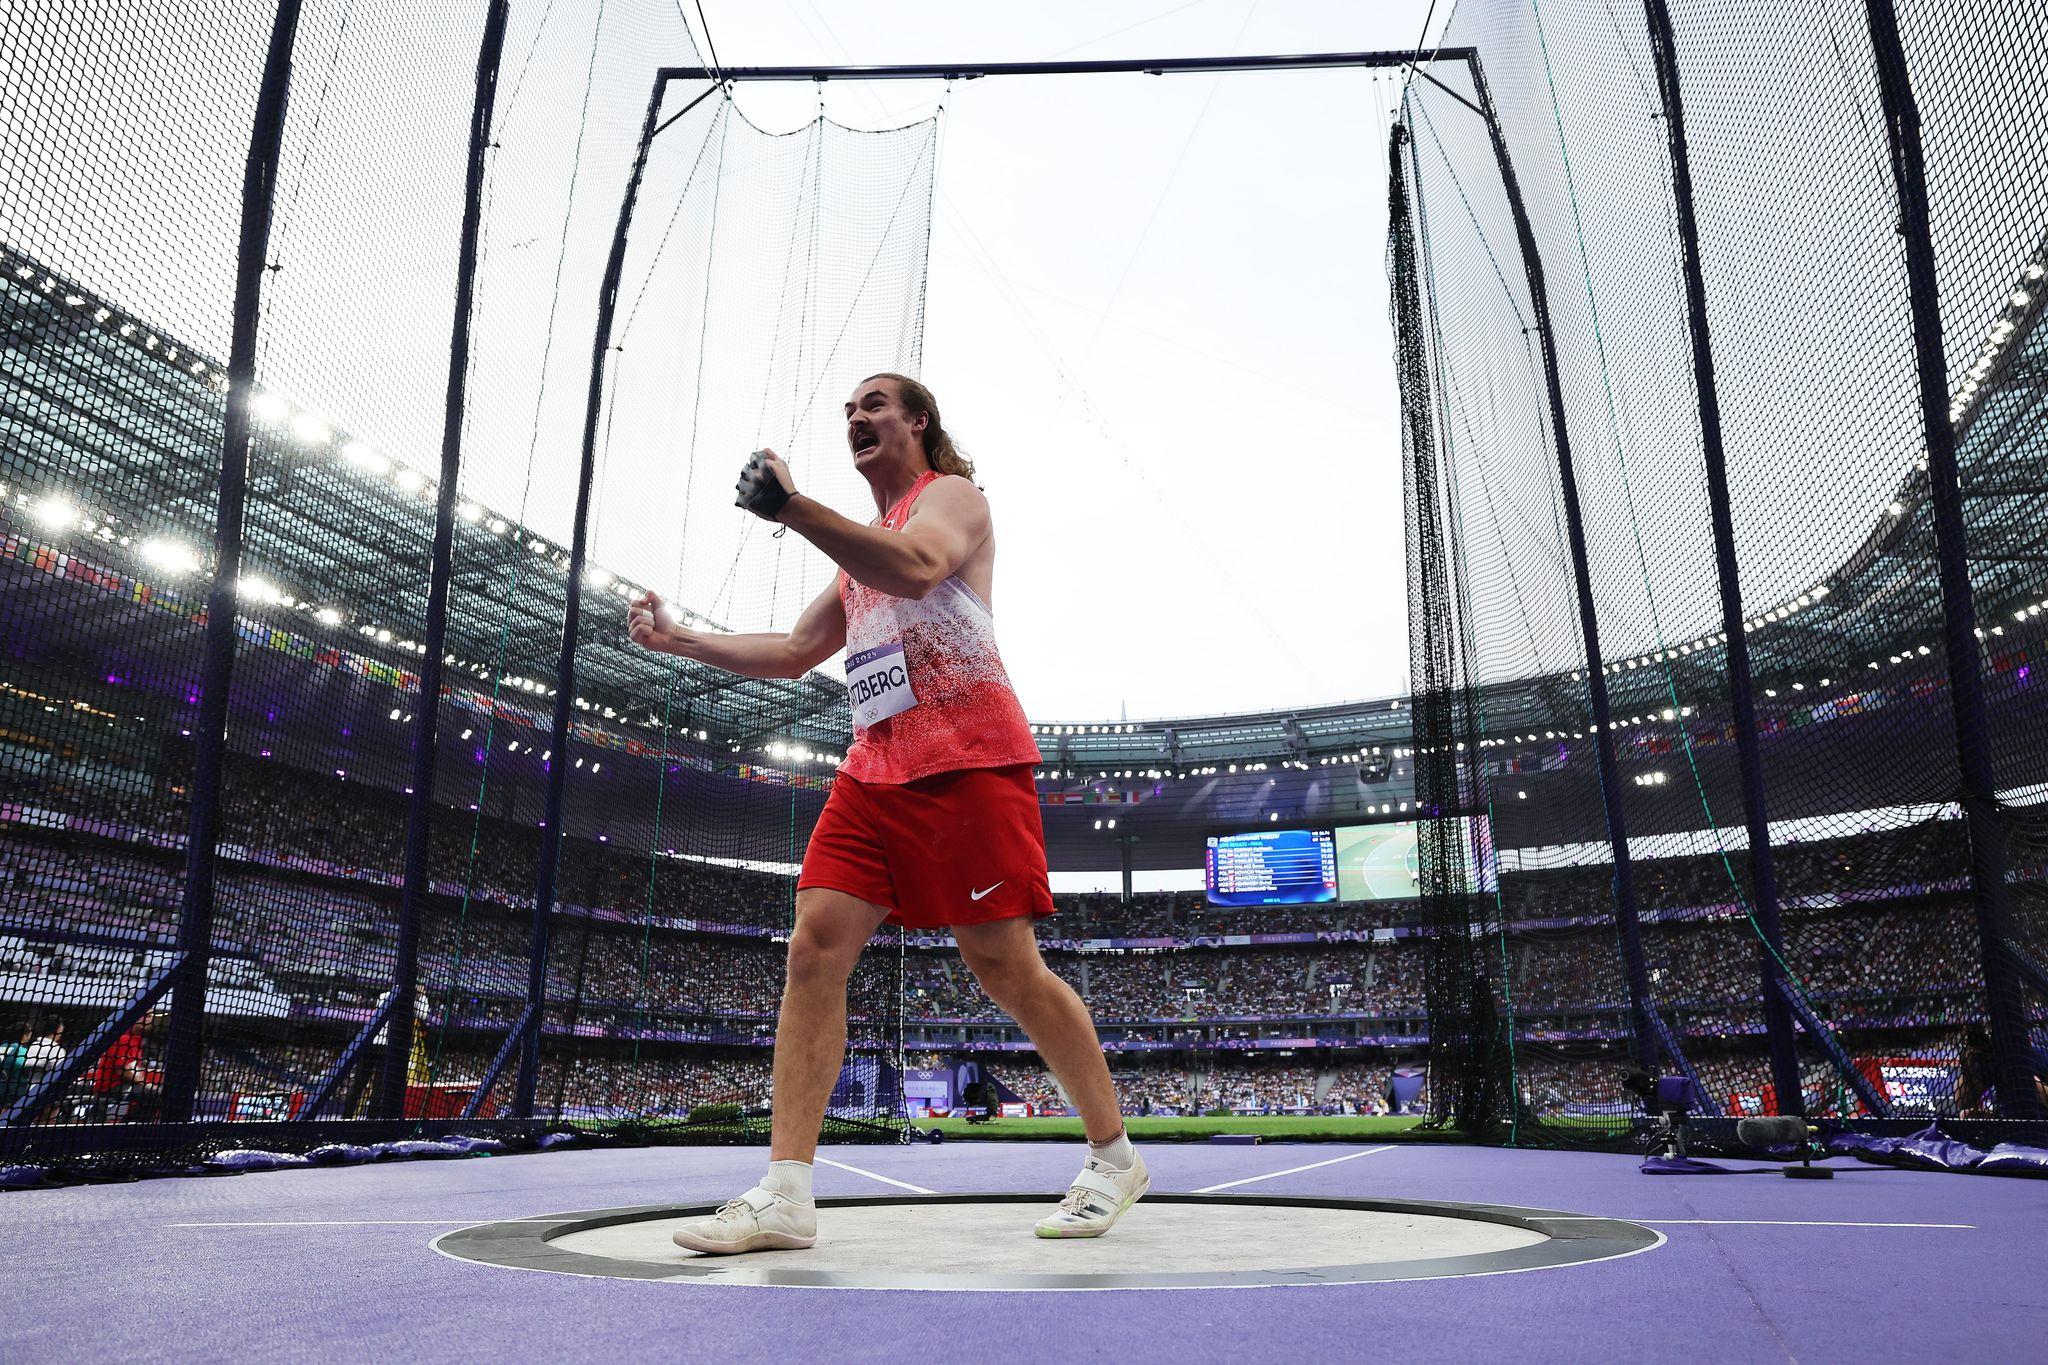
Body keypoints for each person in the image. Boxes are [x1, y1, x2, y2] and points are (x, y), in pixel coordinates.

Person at [628, 373, 1145, 1253]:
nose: (857, 418)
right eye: (848, 412)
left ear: (918, 422)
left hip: (967, 760)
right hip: (874, 770)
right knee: (813, 945)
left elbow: (918, 565)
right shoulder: (854, 554)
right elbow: (796, 651)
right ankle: (785, 1193)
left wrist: (792, 506)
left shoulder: (951, 498)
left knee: (1004, 964)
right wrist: (683, 639)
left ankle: (1113, 1155)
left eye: (875, 404)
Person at [85, 1009, 162, 1123]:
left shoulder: (136, 1040)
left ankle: (131, 1124)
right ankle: (132, 1127)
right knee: (152, 1094)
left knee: (153, 1093)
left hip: (122, 1086)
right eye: (146, 1015)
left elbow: (132, 1069)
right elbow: (123, 1071)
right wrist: (147, 1085)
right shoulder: (124, 1037)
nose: (149, 1019)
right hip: (110, 1088)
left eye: (150, 1016)